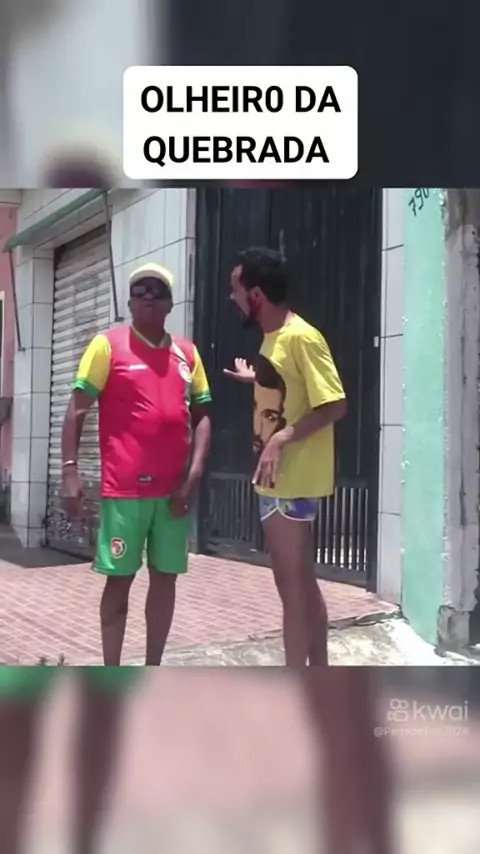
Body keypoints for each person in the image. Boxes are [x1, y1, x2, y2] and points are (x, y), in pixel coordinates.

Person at [62, 262, 212, 665]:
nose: (148, 297)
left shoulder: (187, 354)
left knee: (165, 581)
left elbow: (203, 416)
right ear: (129, 302)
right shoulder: (107, 346)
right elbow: (76, 410)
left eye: (157, 291)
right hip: (124, 492)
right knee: (119, 581)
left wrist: (194, 476)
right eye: (140, 290)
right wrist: (70, 471)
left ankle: (153, 669)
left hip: (173, 494)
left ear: (170, 303)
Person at [224, 247, 347, 667]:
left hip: (292, 481)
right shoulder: (275, 337)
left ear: (256, 295)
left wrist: (280, 440)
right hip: (277, 482)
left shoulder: (301, 337)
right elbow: (288, 386)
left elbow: (334, 404)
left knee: (293, 589)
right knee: (300, 585)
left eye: (236, 290)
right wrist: (256, 379)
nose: (232, 298)